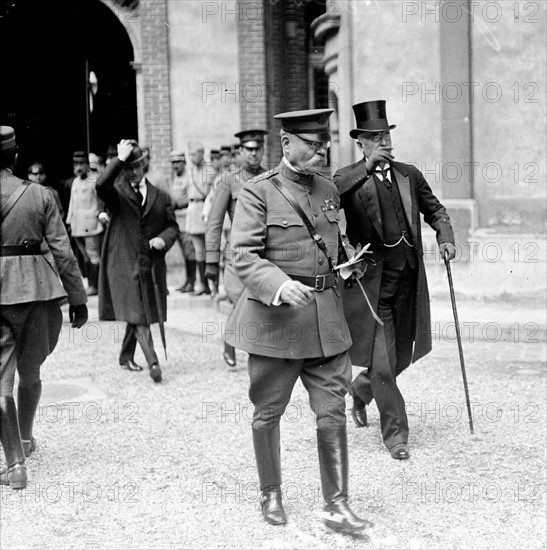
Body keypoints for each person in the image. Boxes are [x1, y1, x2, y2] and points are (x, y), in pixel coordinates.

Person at [225, 109, 370, 534]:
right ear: (287, 144)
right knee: (268, 411)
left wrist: (348, 263)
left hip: (326, 320)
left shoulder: (327, 188)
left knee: (332, 410)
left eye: (323, 143)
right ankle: (270, 492)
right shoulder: (258, 192)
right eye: (312, 143)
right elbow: (243, 255)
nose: (320, 150)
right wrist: (279, 285)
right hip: (276, 323)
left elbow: (332, 241)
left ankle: (337, 505)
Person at [334, 100, 456, 460]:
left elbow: (435, 209)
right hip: (373, 286)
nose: (384, 143)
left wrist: (445, 237)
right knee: (384, 364)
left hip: (408, 281)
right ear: (362, 143)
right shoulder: (347, 178)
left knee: (402, 357)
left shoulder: (408, 174)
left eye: (386, 136)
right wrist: (365, 170)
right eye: (375, 137)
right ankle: (396, 435)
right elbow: (329, 197)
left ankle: (360, 390)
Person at [0, 126, 88, 490]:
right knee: (31, 368)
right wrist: (79, 300)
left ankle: (15, 465)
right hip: (38, 290)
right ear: (14, 155)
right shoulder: (41, 195)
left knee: (0, 381)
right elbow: (63, 251)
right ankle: (25, 438)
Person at [96, 139, 179, 383]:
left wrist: (164, 239)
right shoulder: (117, 194)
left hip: (149, 265)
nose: (132, 172)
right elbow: (100, 185)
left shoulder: (160, 196)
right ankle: (153, 363)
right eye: (127, 168)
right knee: (140, 313)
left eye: (136, 167)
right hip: (123, 263)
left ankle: (125, 356)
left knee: (138, 311)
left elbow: (173, 227)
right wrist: (117, 160)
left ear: (145, 165)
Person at [205, 129, 268, 368]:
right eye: (248, 149)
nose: (253, 154)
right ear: (240, 151)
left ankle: (258, 351)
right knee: (240, 300)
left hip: (264, 253)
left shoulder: (271, 178)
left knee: (262, 302)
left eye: (257, 149)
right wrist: (210, 261)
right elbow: (214, 223)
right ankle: (231, 342)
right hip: (237, 254)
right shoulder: (229, 181)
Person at [65, 150, 106, 297]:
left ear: (88, 165)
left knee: (93, 257)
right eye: (76, 164)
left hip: (91, 225)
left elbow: (100, 201)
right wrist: (69, 220)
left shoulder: (95, 180)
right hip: (77, 226)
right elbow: (72, 203)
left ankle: (96, 286)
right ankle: (90, 284)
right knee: (84, 258)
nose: (78, 167)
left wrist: (99, 214)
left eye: (81, 163)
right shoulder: (75, 181)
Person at [181, 140, 215, 296]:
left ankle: (210, 284)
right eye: (190, 154)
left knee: (208, 249)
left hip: (204, 209)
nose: (191, 157)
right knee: (198, 251)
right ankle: (202, 285)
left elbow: (205, 191)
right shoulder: (189, 171)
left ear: (202, 153)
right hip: (192, 209)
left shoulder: (208, 169)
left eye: (194, 154)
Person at [170, 150, 197, 293]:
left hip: (187, 218)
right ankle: (187, 280)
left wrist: (178, 203)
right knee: (183, 251)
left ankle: (192, 282)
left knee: (189, 251)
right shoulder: (174, 178)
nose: (175, 166)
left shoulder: (189, 177)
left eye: (178, 162)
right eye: (173, 162)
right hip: (177, 220)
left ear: (184, 163)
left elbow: (190, 197)